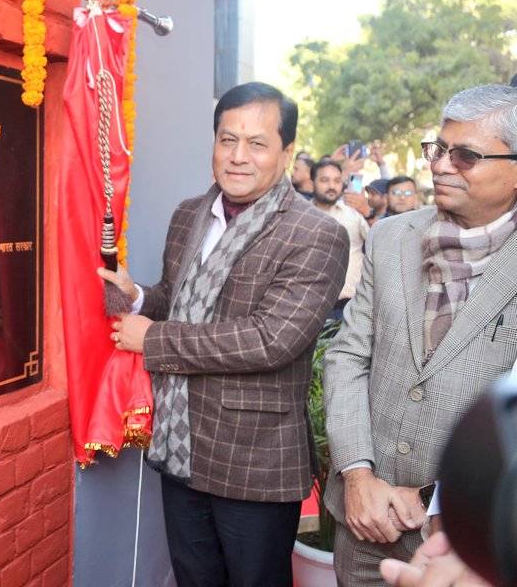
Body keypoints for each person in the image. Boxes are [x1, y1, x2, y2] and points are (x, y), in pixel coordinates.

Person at [98, 81, 349, 586]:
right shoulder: (190, 213)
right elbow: (178, 296)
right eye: (226, 139)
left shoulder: (316, 234)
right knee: (195, 579)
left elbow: (271, 339)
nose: (238, 156)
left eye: (257, 143)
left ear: (286, 151)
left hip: (253, 460)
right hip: (180, 445)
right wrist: (140, 297)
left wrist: (154, 340)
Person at [324, 84, 517, 585]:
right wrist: (358, 475)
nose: (441, 165)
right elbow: (348, 357)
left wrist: (434, 494)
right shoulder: (391, 238)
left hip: (468, 539)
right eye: (439, 149)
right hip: (363, 518)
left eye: (466, 156)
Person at [311, 157, 369, 319]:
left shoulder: (354, 213)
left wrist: (367, 212)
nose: (331, 186)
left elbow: (377, 244)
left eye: (337, 181)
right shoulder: (301, 216)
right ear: (312, 182)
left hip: (351, 305)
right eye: (324, 180)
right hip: (311, 304)